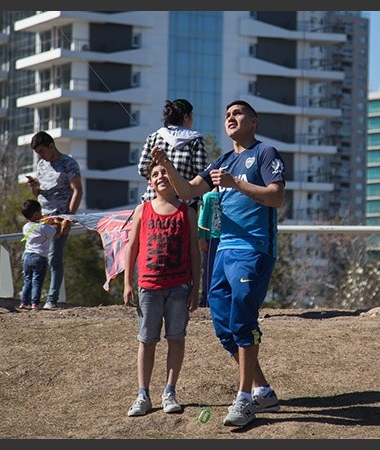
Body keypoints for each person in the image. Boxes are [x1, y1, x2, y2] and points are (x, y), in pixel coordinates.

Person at [151, 100, 285, 428]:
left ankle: (244, 399)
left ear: (254, 121)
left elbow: (277, 197)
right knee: (224, 328)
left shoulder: (266, 153)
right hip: (222, 252)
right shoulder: (222, 161)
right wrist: (166, 165)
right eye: (227, 115)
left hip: (253, 249)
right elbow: (187, 191)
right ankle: (263, 390)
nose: (231, 118)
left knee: (242, 319)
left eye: (238, 113)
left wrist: (237, 183)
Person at [123, 161, 201, 417]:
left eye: (165, 172)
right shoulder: (141, 210)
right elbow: (132, 246)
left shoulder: (187, 212)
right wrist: (127, 282)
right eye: (155, 174)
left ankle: (170, 391)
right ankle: (142, 393)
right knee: (147, 340)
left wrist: (196, 287)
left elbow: (194, 253)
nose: (160, 177)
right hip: (149, 287)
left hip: (179, 287)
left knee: (176, 338)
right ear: (149, 182)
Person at [26, 131, 83, 310]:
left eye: (42, 151)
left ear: (51, 146)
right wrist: (35, 188)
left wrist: (69, 218)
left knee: (54, 258)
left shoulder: (68, 163)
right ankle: (33, 298)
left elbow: (77, 191)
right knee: (35, 257)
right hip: (42, 218)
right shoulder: (42, 164)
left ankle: (52, 299)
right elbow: (39, 193)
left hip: (59, 218)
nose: (41, 155)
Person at [138, 98, 207, 211]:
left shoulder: (154, 137)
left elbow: (142, 169)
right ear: (186, 117)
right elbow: (201, 174)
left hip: (154, 201)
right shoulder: (195, 139)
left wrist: (160, 181)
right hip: (184, 204)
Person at [19, 199, 66, 310]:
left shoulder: (25, 227)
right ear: (36, 214)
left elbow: (36, 228)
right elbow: (57, 235)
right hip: (39, 257)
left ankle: (24, 302)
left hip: (27, 256)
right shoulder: (43, 227)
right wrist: (57, 223)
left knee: (27, 280)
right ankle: (35, 303)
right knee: (37, 281)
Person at [198, 187, 222, 308]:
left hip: (225, 239)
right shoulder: (207, 197)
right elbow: (202, 219)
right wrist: (201, 237)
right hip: (211, 239)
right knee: (209, 270)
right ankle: (206, 300)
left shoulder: (228, 195)